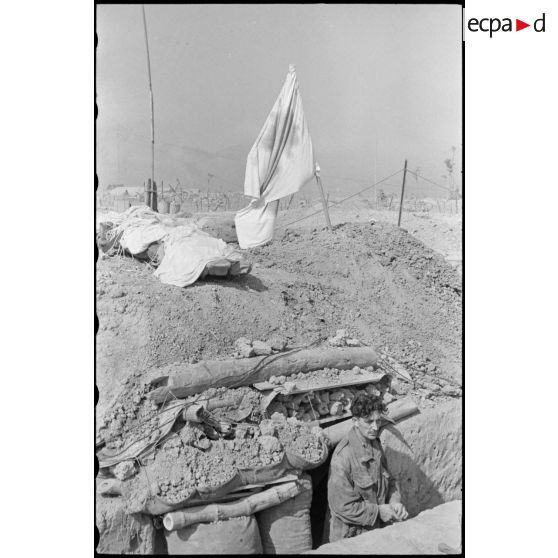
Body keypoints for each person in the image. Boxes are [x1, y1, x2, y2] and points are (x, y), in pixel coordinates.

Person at [326, 392, 408, 541]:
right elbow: (342, 506)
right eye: (369, 422)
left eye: (378, 421)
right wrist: (378, 512)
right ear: (355, 421)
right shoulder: (342, 457)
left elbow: (390, 481)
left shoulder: (375, 445)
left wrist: (394, 501)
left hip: (376, 532)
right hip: (351, 537)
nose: (375, 427)